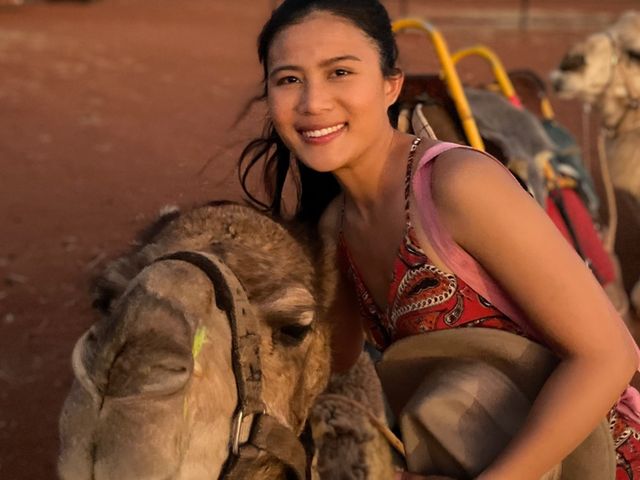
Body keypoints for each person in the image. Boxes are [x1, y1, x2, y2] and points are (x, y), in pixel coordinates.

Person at [237, 0, 640, 478]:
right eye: (289, 80)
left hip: (596, 459)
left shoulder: (456, 186)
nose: (313, 102)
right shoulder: (334, 228)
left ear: (391, 85)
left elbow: (610, 356)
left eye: (340, 72)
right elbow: (335, 362)